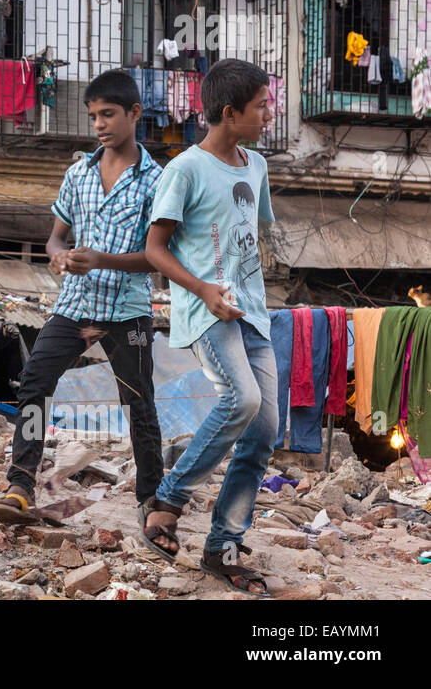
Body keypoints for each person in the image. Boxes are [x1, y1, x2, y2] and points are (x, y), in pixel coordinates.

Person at [0, 69, 165, 527]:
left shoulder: (157, 181)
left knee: (138, 402)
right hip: (75, 305)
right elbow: (54, 239)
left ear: (134, 114)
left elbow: (159, 258)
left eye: (108, 114)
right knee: (33, 383)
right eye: (93, 116)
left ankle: (152, 500)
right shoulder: (78, 172)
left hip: (128, 311)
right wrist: (60, 257)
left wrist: (102, 258)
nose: (100, 124)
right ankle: (21, 482)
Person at [143, 58, 276, 597]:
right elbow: (156, 248)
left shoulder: (257, 166)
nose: (269, 114)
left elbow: (250, 231)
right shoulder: (185, 170)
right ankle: (167, 499)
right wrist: (203, 289)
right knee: (240, 400)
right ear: (229, 113)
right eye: (261, 107)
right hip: (206, 312)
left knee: (265, 432)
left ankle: (223, 543)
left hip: (254, 315)